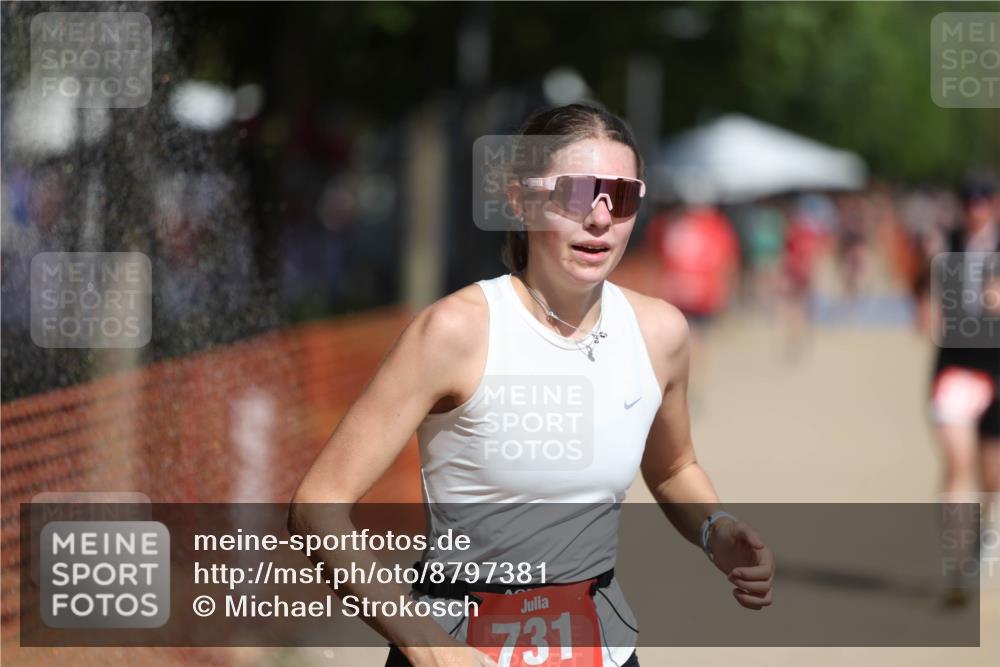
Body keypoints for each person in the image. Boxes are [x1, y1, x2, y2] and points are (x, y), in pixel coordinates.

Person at [288, 103, 774, 667]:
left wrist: (717, 529)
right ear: (520, 200)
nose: (598, 219)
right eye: (574, 193)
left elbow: (673, 468)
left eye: (619, 197)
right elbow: (316, 506)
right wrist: (429, 647)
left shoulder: (660, 332)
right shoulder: (455, 332)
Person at [929, 173, 1000, 605]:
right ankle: (956, 564)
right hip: (957, 366)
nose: (976, 208)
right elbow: (923, 298)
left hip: (997, 367)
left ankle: (986, 528)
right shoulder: (946, 242)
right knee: (957, 464)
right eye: (970, 200)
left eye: (984, 200)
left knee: (992, 473)